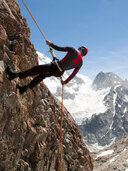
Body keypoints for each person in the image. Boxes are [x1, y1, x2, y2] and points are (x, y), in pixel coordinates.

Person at [6, 40, 88, 94]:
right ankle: (24, 89)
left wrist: (50, 44)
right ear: (84, 54)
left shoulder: (73, 49)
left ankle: (14, 75)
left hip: (55, 66)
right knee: (41, 76)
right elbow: (73, 75)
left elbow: (59, 48)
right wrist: (65, 82)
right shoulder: (80, 63)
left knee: (35, 70)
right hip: (59, 72)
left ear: (81, 48)